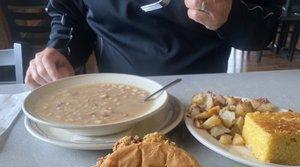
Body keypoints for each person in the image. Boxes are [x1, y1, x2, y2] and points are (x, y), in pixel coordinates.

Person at [25, 0, 281, 88]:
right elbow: (70, 16)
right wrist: (61, 50)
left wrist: (231, 14)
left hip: (203, 102)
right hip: (112, 99)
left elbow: (263, 31)